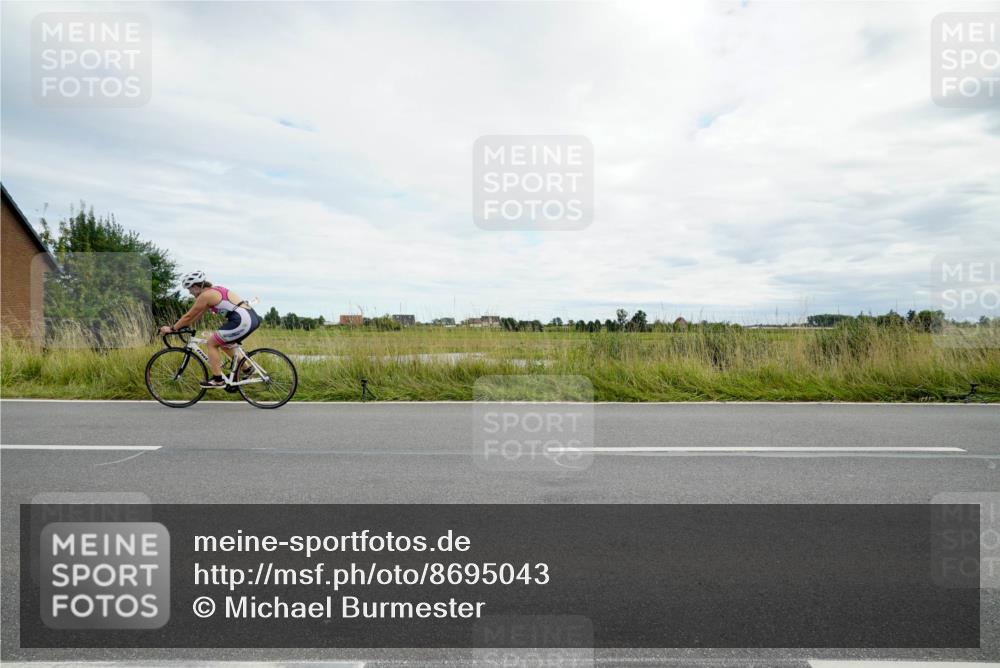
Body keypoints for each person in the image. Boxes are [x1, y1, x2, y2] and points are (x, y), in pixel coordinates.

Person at [159, 271, 262, 387]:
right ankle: (247, 369)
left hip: (242, 320)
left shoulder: (205, 296)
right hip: (250, 317)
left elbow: (188, 316)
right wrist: (183, 326)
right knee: (223, 343)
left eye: (189, 289)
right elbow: (195, 316)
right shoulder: (214, 290)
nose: (190, 293)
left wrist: (172, 328)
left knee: (211, 343)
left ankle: (218, 380)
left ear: (196, 286)